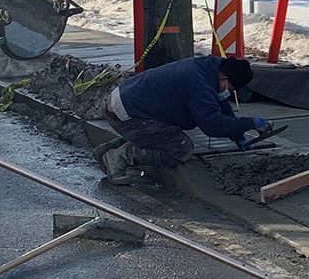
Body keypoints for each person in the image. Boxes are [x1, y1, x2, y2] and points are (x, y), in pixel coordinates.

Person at [97, 54, 268, 185]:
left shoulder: (207, 68)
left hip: (123, 104)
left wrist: (237, 134)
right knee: (181, 148)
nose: (229, 93)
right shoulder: (200, 86)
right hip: (128, 116)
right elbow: (212, 124)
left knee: (164, 133)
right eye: (231, 88)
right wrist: (250, 123)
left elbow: (221, 105)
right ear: (224, 79)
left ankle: (107, 150)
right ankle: (119, 157)